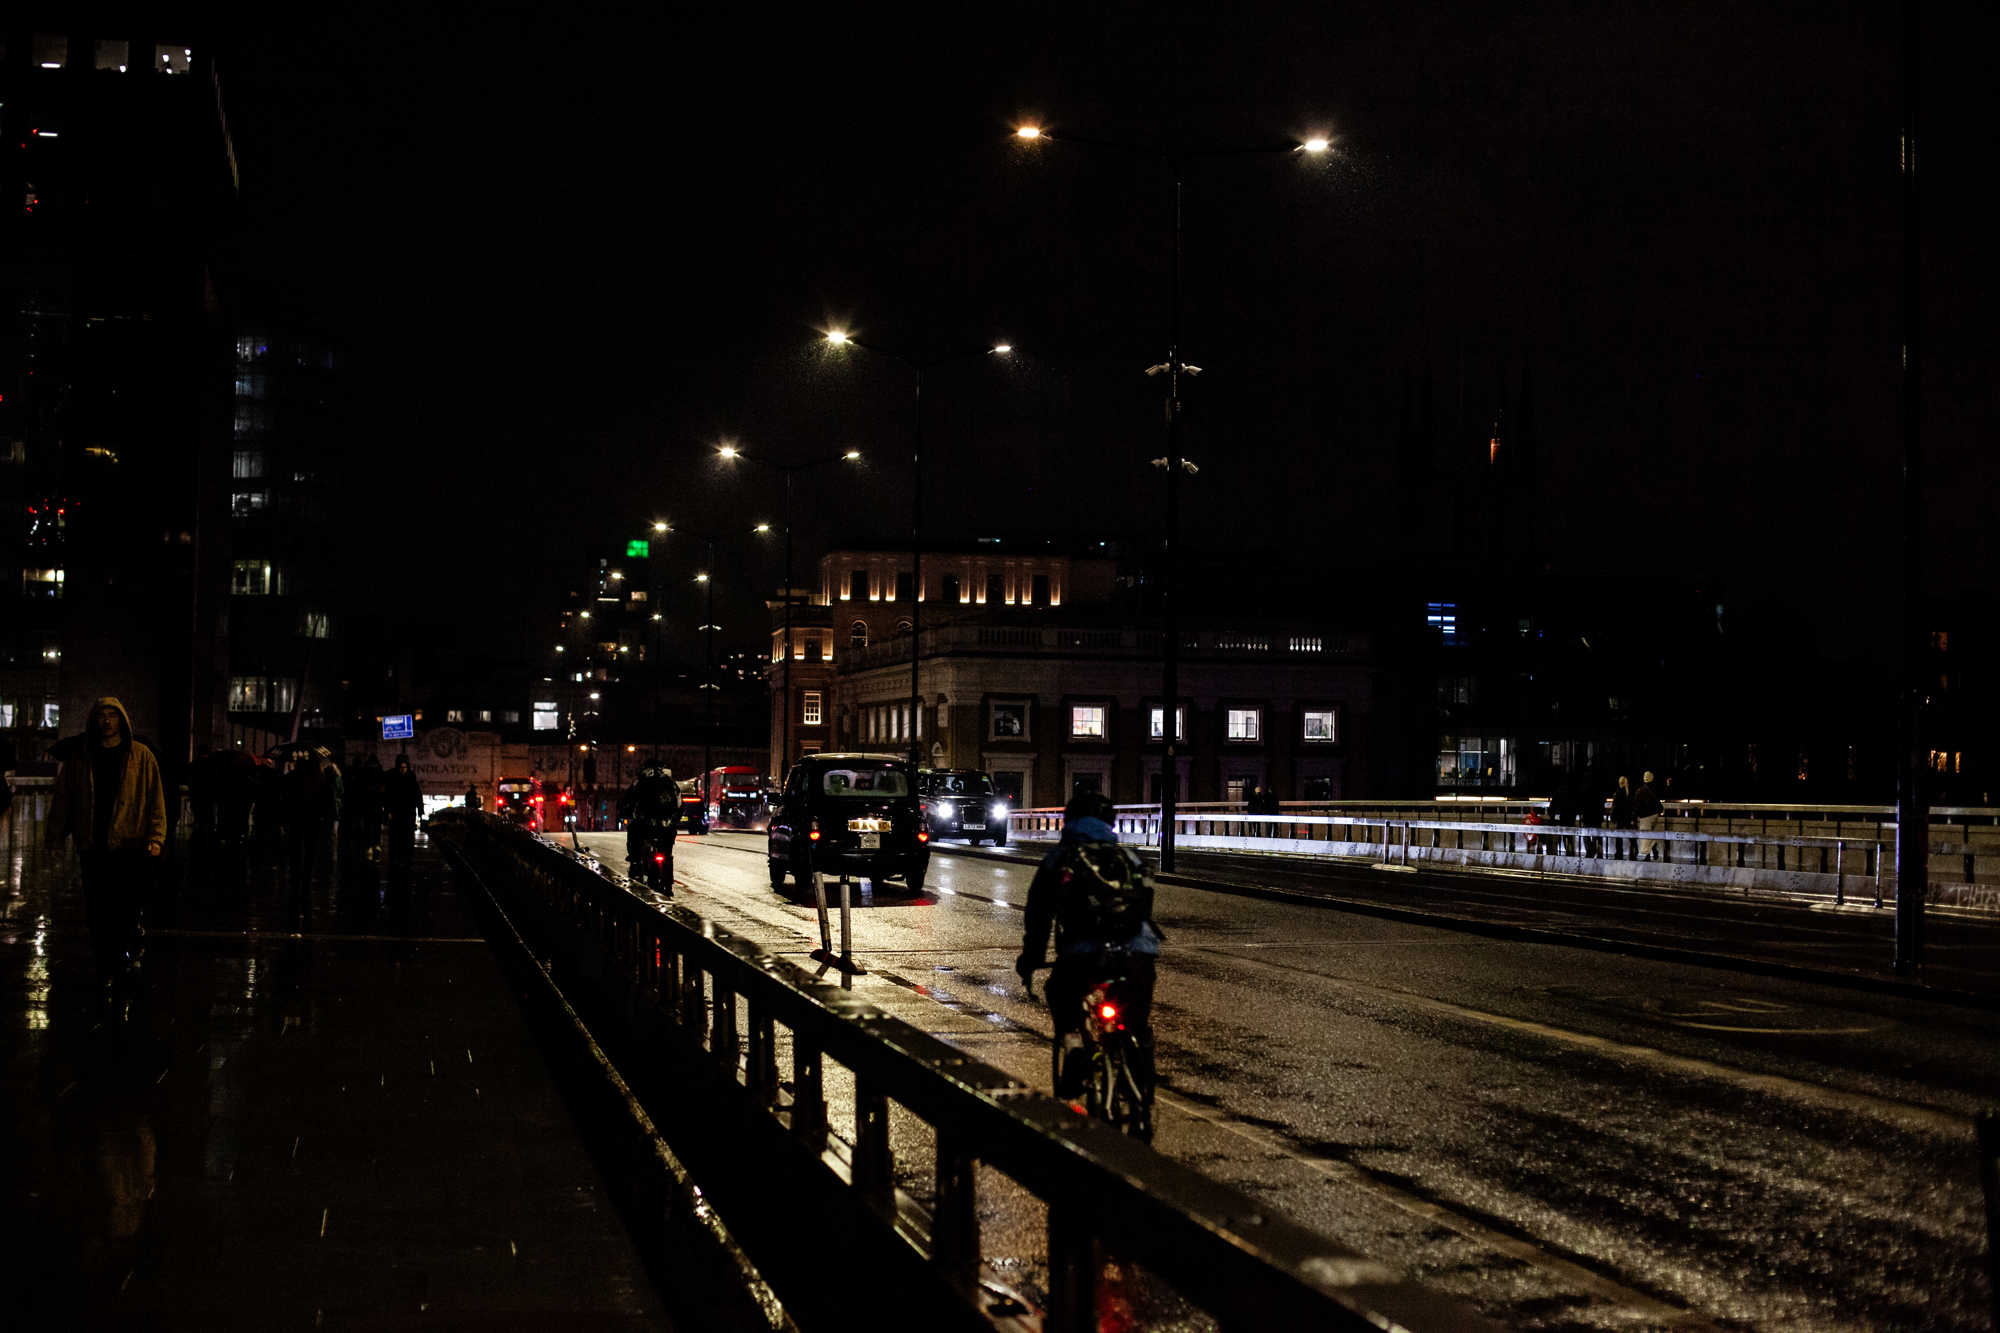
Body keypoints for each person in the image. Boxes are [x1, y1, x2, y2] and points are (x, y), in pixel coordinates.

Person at [1016, 791, 1163, 1098]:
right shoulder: (1128, 856)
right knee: (1135, 1016)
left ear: (1068, 821)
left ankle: (1073, 1048)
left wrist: (1031, 958)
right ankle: (1140, 1069)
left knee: (1059, 991)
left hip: (1083, 954)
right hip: (1137, 953)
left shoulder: (1060, 859)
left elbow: (1039, 916)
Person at [47, 699, 168, 984]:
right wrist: (55, 837)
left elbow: (155, 798)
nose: (107, 721)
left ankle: (122, 954)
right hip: (92, 845)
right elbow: (63, 800)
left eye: (112, 715)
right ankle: (106, 960)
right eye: (101, 715)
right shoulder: (80, 757)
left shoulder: (141, 756)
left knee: (125, 905)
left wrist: (156, 838)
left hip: (129, 845)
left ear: (122, 720)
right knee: (97, 906)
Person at [383, 754, 423, 860]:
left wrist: (420, 810)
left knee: (405, 836)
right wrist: (388, 811)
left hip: (407, 812)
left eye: (404, 767)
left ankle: (403, 856)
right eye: (401, 767)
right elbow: (388, 796)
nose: (403, 769)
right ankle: (400, 856)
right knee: (397, 835)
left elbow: (417, 795)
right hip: (398, 812)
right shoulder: (394, 778)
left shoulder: (409, 778)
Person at [1634, 770, 1665, 861]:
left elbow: (1637, 806)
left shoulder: (1640, 791)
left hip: (1645, 817)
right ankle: (1653, 850)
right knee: (1651, 834)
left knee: (1645, 838)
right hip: (1655, 815)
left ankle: (1647, 856)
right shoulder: (1655, 790)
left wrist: (1634, 816)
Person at [1610, 775, 1635, 860]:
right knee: (1631, 835)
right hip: (1628, 817)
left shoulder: (1618, 793)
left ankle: (1619, 852)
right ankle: (1634, 849)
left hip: (1620, 817)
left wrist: (1613, 817)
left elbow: (1615, 807)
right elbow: (1632, 806)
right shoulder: (1629, 793)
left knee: (1619, 836)